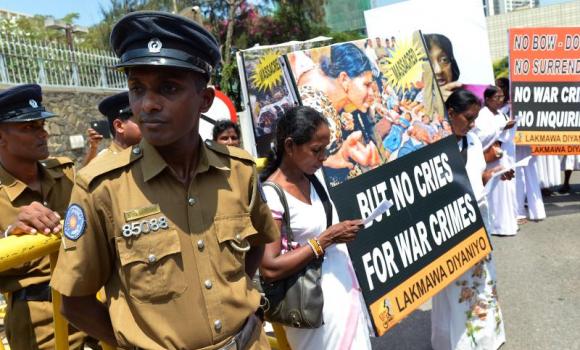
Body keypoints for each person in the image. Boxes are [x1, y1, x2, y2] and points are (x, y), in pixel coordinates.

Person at [50, 11, 279, 349]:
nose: (148, 104)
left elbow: (258, 242)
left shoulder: (239, 170)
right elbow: (75, 301)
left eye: (168, 88)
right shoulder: (103, 188)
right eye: (136, 89)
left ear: (204, 100)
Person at [259, 106, 372, 350]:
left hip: (343, 294)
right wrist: (326, 239)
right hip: (313, 308)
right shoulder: (272, 195)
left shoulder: (314, 178)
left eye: (325, 149)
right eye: (316, 150)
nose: (323, 158)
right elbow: (269, 267)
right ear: (290, 146)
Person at [0, 84, 86, 349]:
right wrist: (9, 235)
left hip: (91, 299)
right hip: (41, 320)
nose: (43, 134)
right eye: (29, 128)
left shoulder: (66, 174)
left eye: (41, 125)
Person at [431, 89, 506, 350]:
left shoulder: (473, 141)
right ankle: (459, 342)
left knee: (483, 278)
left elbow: (477, 177)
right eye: (468, 117)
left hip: (478, 220)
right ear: (451, 113)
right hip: (450, 224)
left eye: (475, 118)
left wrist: (495, 173)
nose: (473, 124)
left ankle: (486, 338)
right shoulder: (435, 144)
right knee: (455, 285)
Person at [297, 42, 381, 186]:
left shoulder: (328, 89)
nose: (372, 93)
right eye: (366, 85)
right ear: (344, 79)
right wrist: (339, 155)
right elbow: (298, 160)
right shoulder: (314, 107)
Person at [496, 77, 545, 221]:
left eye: (500, 87)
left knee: (523, 176)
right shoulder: (504, 107)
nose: (498, 90)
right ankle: (527, 211)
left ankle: (523, 212)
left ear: (506, 88)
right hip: (514, 144)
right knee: (521, 176)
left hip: (521, 144)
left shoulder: (512, 106)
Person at [473, 85, 518, 236]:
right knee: (494, 193)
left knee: (507, 190)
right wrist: (501, 127)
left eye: (501, 97)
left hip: (504, 156)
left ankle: (507, 224)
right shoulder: (482, 115)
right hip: (492, 160)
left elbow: (505, 135)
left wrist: (508, 126)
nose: (500, 100)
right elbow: (481, 136)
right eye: (496, 98)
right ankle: (495, 225)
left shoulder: (500, 114)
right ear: (487, 99)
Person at [82, 91, 142, 166]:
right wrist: (93, 148)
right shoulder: (104, 164)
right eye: (141, 121)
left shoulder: (152, 154)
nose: (147, 126)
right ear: (119, 126)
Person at [424, 33, 462, 101]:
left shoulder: (477, 97)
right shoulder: (405, 105)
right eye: (428, 63)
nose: (438, 71)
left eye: (443, 60)